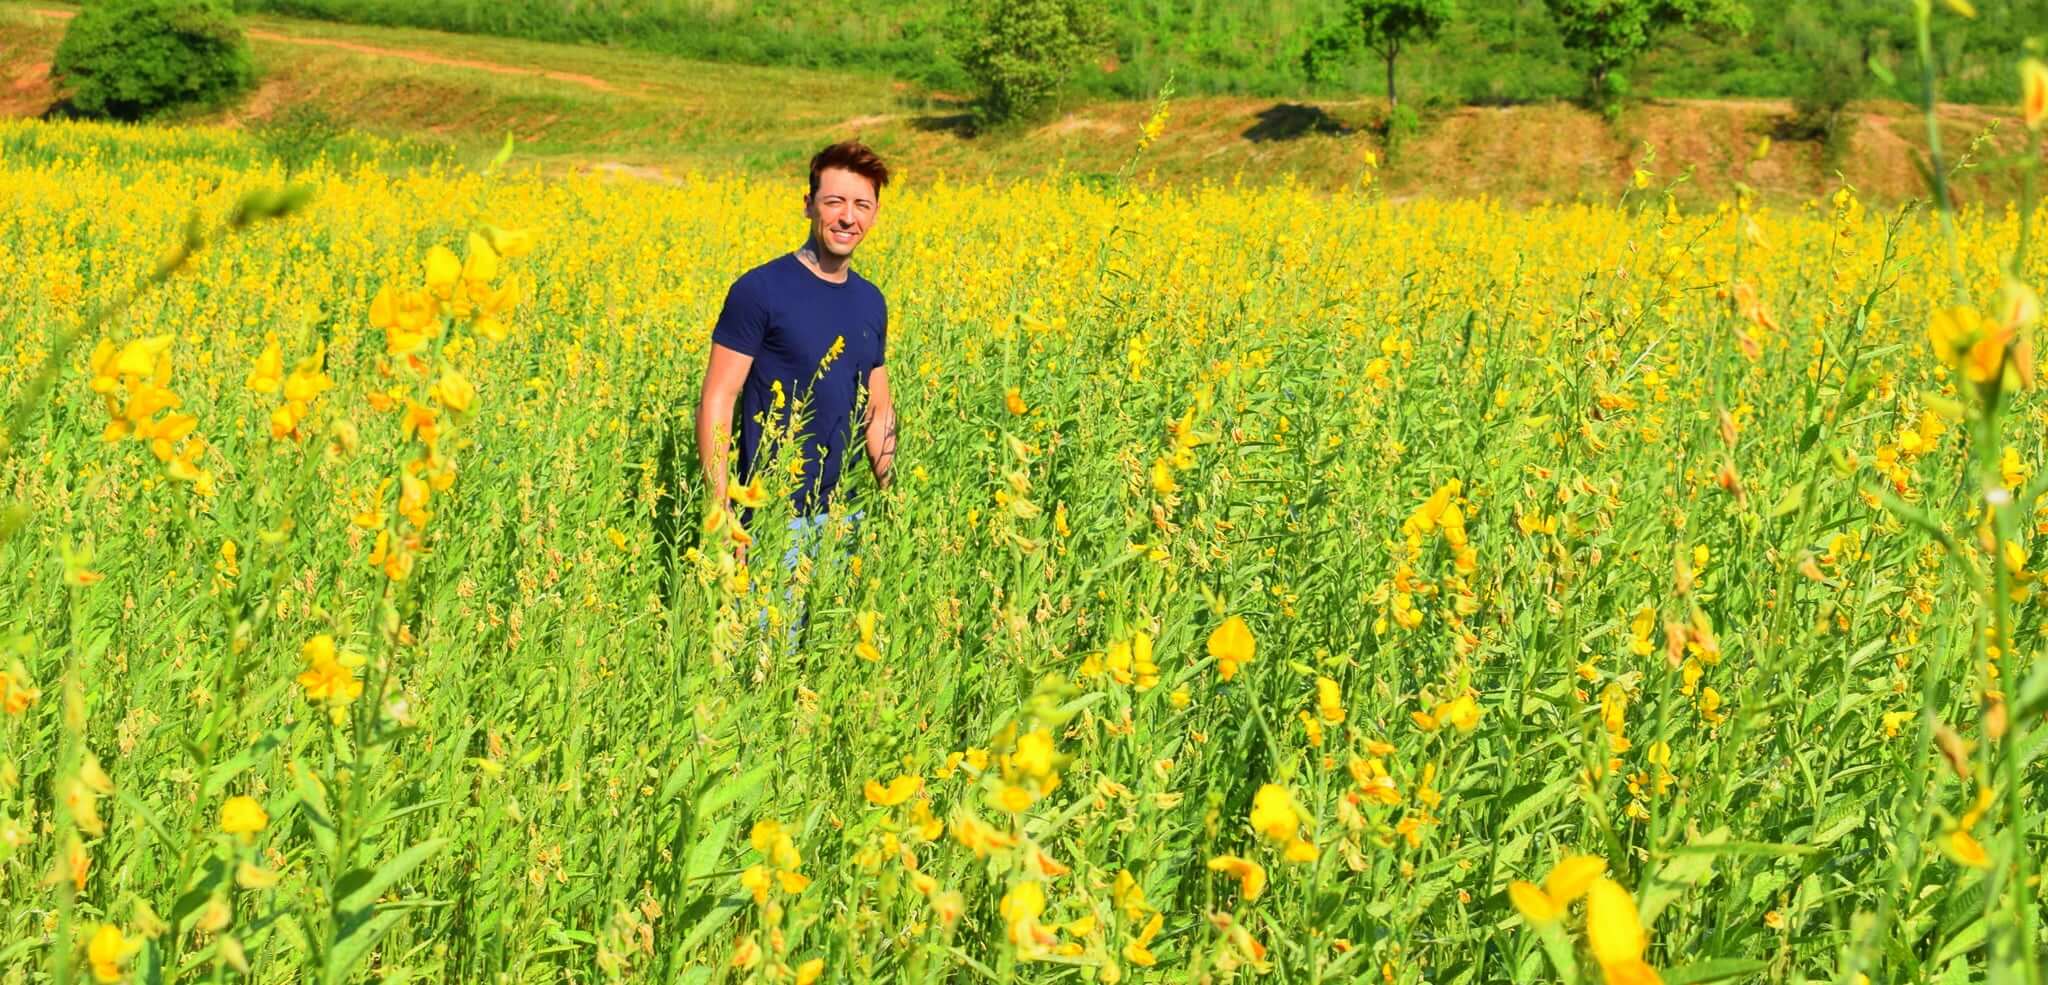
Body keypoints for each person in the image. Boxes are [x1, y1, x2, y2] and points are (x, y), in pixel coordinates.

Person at [695, 141, 897, 564]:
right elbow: (718, 397)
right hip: (772, 516)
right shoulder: (759, 290)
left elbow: (877, 409)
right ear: (809, 205)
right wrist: (721, 511)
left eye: (862, 204)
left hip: (848, 515)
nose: (848, 216)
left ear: (875, 214)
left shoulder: (871, 302)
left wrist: (895, 498)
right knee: (766, 633)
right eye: (835, 201)